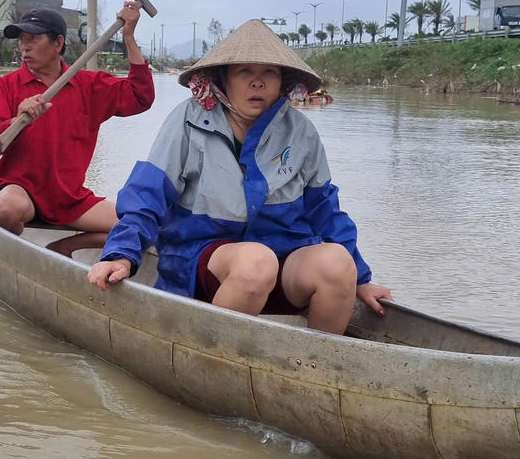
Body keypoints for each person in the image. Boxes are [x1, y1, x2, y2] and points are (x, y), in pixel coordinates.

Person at [87, 19, 391, 335]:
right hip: (202, 259)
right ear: (224, 80)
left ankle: (313, 361)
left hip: (283, 261)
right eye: (245, 72)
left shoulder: (300, 131)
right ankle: (205, 353)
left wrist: (361, 279)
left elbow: (325, 208)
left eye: (268, 73)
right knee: (256, 263)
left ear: (282, 82)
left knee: (338, 264)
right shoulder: (188, 121)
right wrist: (121, 254)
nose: (257, 83)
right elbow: (148, 194)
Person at [0, 2, 154, 234]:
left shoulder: (89, 86)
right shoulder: (8, 84)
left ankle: (67, 245)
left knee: (141, 226)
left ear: (58, 43)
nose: (24, 47)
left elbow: (141, 97)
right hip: (20, 191)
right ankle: (14, 246)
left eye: (33, 39)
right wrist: (16, 120)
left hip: (68, 199)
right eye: (21, 39)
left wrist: (128, 37)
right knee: (7, 208)